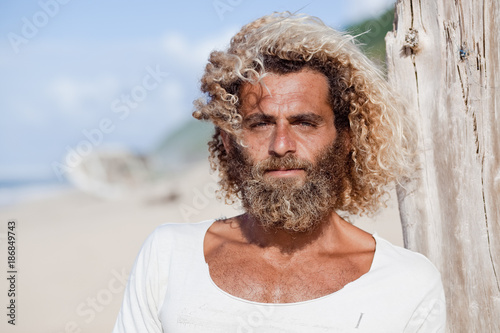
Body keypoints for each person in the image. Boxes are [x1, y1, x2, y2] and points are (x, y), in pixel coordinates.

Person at [113, 12, 446, 332]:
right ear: (229, 142)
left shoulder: (407, 283)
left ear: (347, 138)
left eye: (304, 122)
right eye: (260, 124)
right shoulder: (168, 256)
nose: (282, 145)